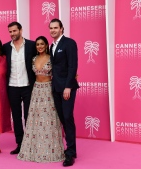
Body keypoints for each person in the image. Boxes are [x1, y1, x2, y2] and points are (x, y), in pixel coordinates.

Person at [17, 36, 65, 163]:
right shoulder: (33, 59)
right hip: (36, 90)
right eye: (37, 44)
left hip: (49, 90)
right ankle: (34, 150)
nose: (39, 46)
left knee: (49, 120)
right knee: (35, 120)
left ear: (46, 45)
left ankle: (51, 151)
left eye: (42, 44)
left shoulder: (51, 58)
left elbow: (60, 71)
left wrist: (72, 77)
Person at [49, 18, 80, 166]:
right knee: (62, 119)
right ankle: (67, 148)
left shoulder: (69, 43)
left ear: (62, 28)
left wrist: (68, 86)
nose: (53, 30)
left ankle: (71, 152)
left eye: (55, 28)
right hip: (55, 88)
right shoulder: (52, 46)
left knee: (67, 118)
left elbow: (73, 66)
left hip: (67, 88)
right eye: (51, 28)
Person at [3, 21, 37, 154]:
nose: (12, 34)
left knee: (29, 116)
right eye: (10, 32)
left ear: (20, 30)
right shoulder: (6, 47)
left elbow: (44, 57)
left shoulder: (32, 45)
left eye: (14, 31)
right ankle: (20, 144)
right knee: (16, 117)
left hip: (28, 86)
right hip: (12, 87)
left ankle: (30, 144)